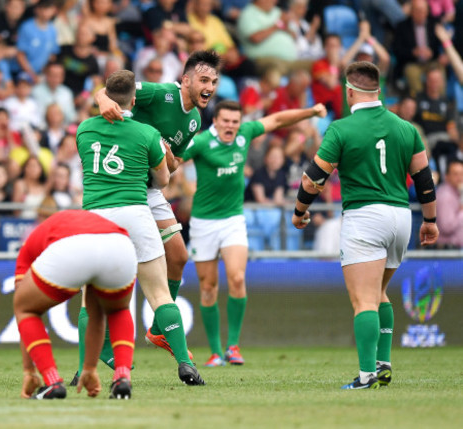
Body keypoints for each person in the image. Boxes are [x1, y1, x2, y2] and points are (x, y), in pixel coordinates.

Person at [291, 61, 439, 389]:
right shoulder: (406, 128)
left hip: (364, 217)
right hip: (401, 218)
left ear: (349, 92)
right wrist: (429, 220)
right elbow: (425, 180)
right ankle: (383, 364)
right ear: (379, 91)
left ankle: (366, 374)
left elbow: (315, 177)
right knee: (379, 292)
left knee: (364, 301)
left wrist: (300, 210)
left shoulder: (342, 129)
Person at [87, 50, 220, 365]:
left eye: (214, 81)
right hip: (121, 185)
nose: (210, 86)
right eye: (204, 79)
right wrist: (102, 100)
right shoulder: (162, 93)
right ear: (185, 80)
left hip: (150, 190)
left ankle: (159, 329)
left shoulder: (195, 120)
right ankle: (101, 345)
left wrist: (169, 160)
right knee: (115, 270)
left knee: (179, 255)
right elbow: (114, 89)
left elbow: (173, 165)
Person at [184, 100, 326, 367]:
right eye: (225, 121)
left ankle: (233, 346)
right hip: (203, 223)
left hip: (233, 220)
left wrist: (311, 112)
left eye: (235, 122)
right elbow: (174, 159)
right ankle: (215, 352)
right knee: (207, 286)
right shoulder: (202, 142)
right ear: (215, 121)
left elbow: (278, 120)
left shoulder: (245, 134)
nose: (230, 126)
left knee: (237, 278)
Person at [14, 208, 137, 400]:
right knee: (117, 310)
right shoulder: (80, 219)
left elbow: (24, 307)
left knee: (25, 308)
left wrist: (29, 370)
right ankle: (122, 378)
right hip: (120, 244)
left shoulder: (30, 244)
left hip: (73, 246)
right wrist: (89, 368)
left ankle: (52, 381)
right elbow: (96, 316)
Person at [435, 159, 463, 248]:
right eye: (455, 174)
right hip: (448, 251)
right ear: (447, 176)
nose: (459, 178)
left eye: (462, 174)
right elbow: (446, 227)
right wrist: (461, 211)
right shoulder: (446, 196)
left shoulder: (457, 192)